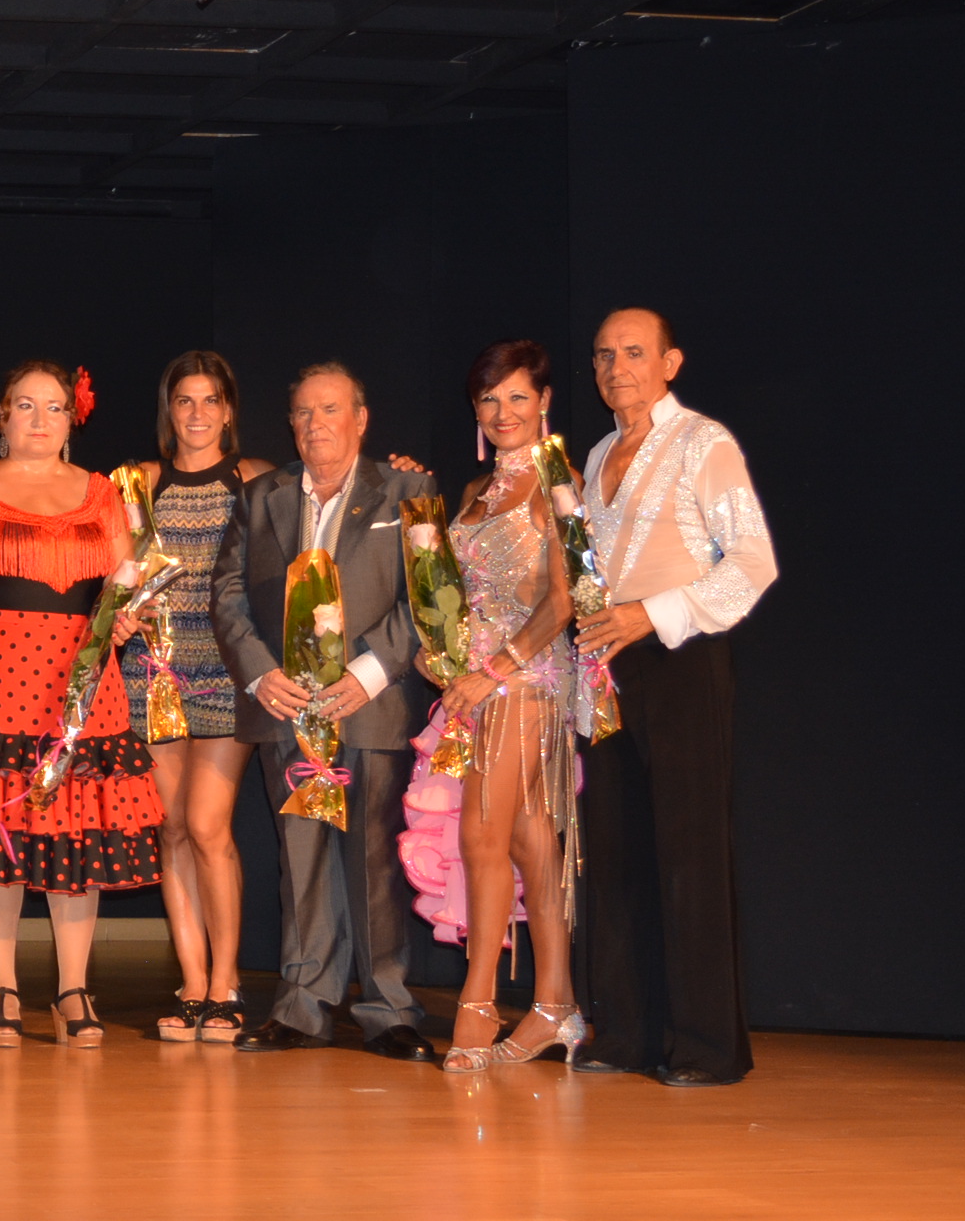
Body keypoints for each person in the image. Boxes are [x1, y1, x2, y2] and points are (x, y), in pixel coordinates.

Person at [0, 360, 162, 1049]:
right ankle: (3, 986)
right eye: (26, 405)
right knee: (1, 831)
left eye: (53, 407)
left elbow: (123, 581)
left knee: (75, 832)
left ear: (72, 419)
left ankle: (74, 987)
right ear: (3, 416)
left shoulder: (102, 492)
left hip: (80, 678)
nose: (41, 419)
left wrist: (126, 614)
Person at [573, 307, 777, 1087]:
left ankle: (706, 1047)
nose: (616, 368)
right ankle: (624, 1033)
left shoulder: (704, 443)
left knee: (689, 855)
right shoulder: (595, 455)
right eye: (603, 356)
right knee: (616, 853)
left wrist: (649, 616)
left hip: (683, 657)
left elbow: (751, 564)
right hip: (610, 669)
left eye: (633, 353)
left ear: (671, 362)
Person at [211, 361, 437, 1059]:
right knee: (301, 864)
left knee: (373, 863)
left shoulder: (410, 489)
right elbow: (226, 595)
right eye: (304, 413)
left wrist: (368, 674)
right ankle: (303, 1005)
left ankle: (388, 1010)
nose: (316, 425)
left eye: (330, 410)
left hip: (370, 707)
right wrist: (260, 675)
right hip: (290, 710)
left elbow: (427, 597)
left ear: (360, 419)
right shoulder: (261, 496)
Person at [431, 340, 584, 1071]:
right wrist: (446, 655)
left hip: (527, 680)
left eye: (518, 397)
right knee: (529, 843)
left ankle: (478, 1003)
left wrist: (494, 668)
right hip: (478, 684)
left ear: (545, 401)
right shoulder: (472, 494)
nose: (503, 413)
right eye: (490, 400)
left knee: (481, 839)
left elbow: (565, 600)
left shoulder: (560, 483)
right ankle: (556, 1005)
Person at [123, 353, 279, 1045]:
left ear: (228, 410)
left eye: (209, 400)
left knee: (210, 824)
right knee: (172, 828)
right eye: (183, 401)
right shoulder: (137, 483)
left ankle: (227, 982)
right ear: (169, 410)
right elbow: (110, 573)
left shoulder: (257, 479)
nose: (195, 414)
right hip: (151, 671)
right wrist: (117, 613)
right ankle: (191, 982)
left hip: (224, 668)